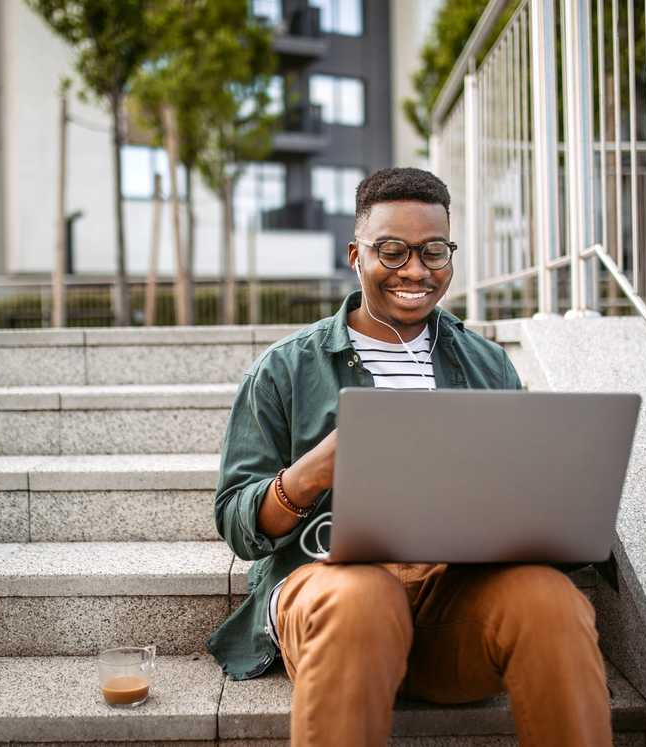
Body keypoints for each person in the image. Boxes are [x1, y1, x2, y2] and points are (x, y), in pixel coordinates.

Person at [206, 167, 611, 747]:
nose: (416, 270)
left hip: (453, 603)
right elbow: (238, 523)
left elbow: (527, 495)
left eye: (434, 251)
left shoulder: (488, 365)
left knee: (551, 601)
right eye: (392, 251)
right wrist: (313, 471)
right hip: (332, 593)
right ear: (356, 254)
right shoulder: (286, 368)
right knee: (364, 597)